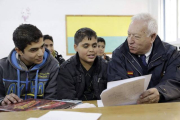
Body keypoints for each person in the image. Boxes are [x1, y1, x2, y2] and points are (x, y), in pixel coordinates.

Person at [107, 13, 180, 103]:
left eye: (136, 36)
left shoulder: (171, 53)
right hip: (131, 109)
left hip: (162, 106)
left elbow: (175, 81)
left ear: (152, 37)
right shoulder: (119, 54)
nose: (130, 41)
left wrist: (160, 92)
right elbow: (116, 84)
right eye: (129, 35)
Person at [0, 24, 59, 106]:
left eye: (42, 46)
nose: (41, 53)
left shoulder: (53, 65)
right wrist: (3, 100)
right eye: (34, 50)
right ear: (19, 51)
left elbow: (52, 100)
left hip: (41, 115)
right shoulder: (2, 66)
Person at [57, 28, 107, 101]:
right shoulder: (66, 69)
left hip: (102, 110)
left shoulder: (105, 66)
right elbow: (67, 99)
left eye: (94, 46)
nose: (91, 50)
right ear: (75, 47)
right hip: (76, 110)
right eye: (86, 46)